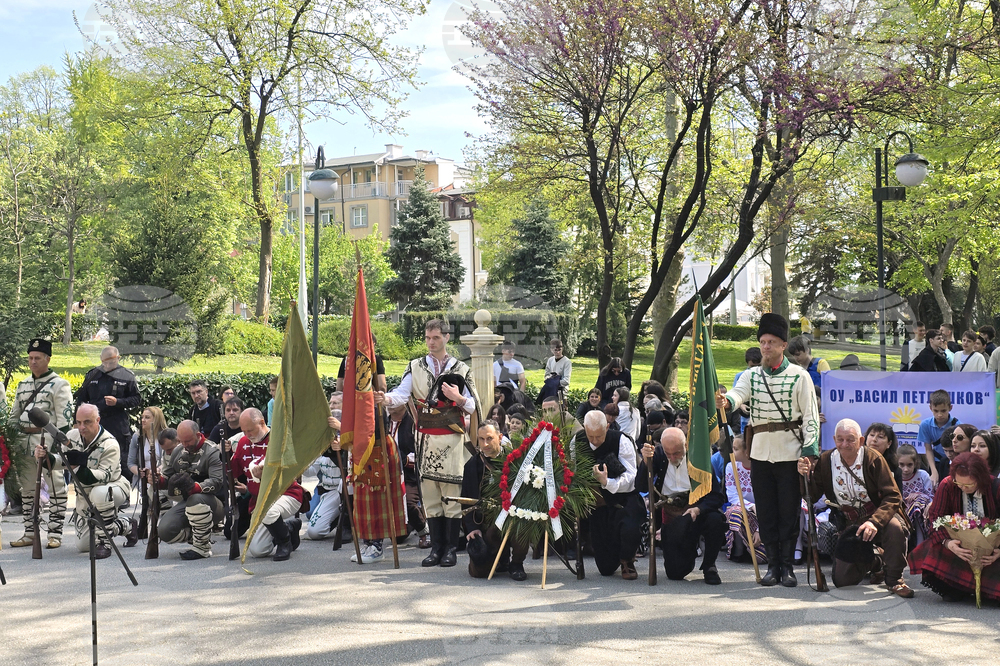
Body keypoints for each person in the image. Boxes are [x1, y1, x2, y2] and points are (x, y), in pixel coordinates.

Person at [718, 313, 820, 587]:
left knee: (788, 512)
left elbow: (810, 416)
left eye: (771, 342)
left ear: (783, 345)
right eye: (762, 342)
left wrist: (809, 451)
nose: (765, 347)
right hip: (760, 455)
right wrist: (727, 401)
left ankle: (787, 567)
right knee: (766, 512)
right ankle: (772, 566)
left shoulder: (799, 376)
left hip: (789, 454)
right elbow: (738, 394)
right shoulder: (750, 376)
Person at [375, 319, 482, 568]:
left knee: (452, 494)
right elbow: (402, 394)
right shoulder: (415, 366)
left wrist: (457, 397)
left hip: (453, 437)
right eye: (427, 337)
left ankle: (451, 549)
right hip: (424, 437)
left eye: (435, 337)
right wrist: (386, 398)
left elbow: (474, 405)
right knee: (431, 495)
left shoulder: (462, 369)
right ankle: (436, 549)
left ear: (446, 337)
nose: (430, 342)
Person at [798, 419, 913, 597]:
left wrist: (874, 522)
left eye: (850, 439)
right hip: (849, 523)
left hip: (877, 516)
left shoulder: (874, 459)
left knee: (894, 528)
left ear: (860, 440)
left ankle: (895, 580)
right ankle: (877, 561)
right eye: (840, 439)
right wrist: (804, 476)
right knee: (843, 582)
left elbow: (893, 496)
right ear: (834, 439)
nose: (845, 444)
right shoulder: (826, 460)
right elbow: (811, 496)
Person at [908, 453, 1000, 602]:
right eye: (960, 484)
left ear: (981, 478)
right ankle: (958, 588)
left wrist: (998, 551)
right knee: (935, 549)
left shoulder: (996, 486)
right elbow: (935, 518)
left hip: (991, 552)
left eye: (969, 485)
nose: (964, 488)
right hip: (958, 548)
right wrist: (948, 543)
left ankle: (985, 591)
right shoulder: (948, 485)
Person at [639, 427, 726, 584]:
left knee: (716, 520)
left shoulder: (699, 457)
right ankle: (688, 551)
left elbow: (717, 495)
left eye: (677, 453)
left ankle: (709, 565)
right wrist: (645, 463)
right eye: (668, 453)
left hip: (698, 511)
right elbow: (641, 487)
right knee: (675, 573)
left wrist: (699, 508)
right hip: (673, 516)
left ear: (686, 445)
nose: (672, 457)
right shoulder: (657, 454)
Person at [8, 339, 73, 550]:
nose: (33, 362)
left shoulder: (59, 384)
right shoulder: (23, 384)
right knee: (27, 490)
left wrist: (57, 449)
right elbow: (14, 417)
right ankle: (29, 531)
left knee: (55, 488)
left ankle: (55, 533)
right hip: (23, 444)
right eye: (30, 358)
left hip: (47, 442)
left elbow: (64, 422)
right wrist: (9, 441)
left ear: (47, 359)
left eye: (37, 358)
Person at [57, 404, 137, 558]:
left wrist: (76, 468)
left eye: (87, 422)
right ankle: (126, 525)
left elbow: (102, 477)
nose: (82, 427)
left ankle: (104, 543)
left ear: (97, 420)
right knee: (84, 546)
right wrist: (46, 457)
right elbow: (62, 461)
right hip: (85, 497)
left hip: (113, 487)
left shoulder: (110, 444)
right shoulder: (72, 436)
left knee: (99, 492)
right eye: (78, 422)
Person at [231, 408, 305, 561]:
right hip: (259, 500)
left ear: (262, 422)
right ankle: (289, 528)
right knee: (258, 550)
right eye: (243, 431)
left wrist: (265, 476)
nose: (246, 435)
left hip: (286, 493)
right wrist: (224, 455)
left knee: (267, 510)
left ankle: (284, 542)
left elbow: (292, 471)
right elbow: (233, 471)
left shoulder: (279, 440)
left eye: (250, 430)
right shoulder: (243, 442)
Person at [581, 410, 644, 580]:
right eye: (590, 436)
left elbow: (632, 477)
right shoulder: (578, 441)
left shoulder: (621, 440)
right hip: (598, 503)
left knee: (630, 527)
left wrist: (607, 482)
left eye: (599, 436)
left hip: (623, 498)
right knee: (605, 568)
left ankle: (627, 559)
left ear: (607, 427)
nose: (594, 441)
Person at [464, 421, 528, 580]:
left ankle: (517, 563)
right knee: (479, 573)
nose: (485, 444)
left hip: (515, 516)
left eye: (489, 438)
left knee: (521, 527)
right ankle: (500, 559)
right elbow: (467, 499)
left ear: (500, 437)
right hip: (486, 520)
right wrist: (472, 528)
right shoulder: (472, 465)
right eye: (481, 439)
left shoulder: (515, 459)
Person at [154, 420, 226, 560]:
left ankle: (202, 548)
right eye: (181, 441)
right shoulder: (178, 451)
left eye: (188, 441)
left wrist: (195, 487)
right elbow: (167, 478)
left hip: (214, 504)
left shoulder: (212, 451)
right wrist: (158, 480)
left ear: (198, 435)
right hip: (188, 502)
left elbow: (217, 482)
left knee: (196, 498)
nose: (185, 445)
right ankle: (198, 534)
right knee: (165, 531)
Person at [74, 345, 141, 482]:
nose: (108, 365)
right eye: (105, 362)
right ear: (100, 359)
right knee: (93, 456)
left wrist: (118, 402)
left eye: (112, 362)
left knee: (121, 458)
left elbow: (137, 399)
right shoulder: (92, 374)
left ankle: (123, 494)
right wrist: (77, 422)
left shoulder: (127, 376)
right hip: (94, 424)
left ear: (118, 358)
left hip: (116, 422)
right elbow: (81, 399)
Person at [723, 435, 766, 563]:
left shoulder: (762, 469)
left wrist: (760, 528)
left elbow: (768, 498)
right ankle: (738, 550)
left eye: (736, 449)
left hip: (765, 511)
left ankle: (757, 551)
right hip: (744, 508)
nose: (732, 451)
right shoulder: (731, 467)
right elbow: (732, 496)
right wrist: (751, 506)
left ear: (747, 452)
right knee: (735, 513)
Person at [916, 389, 959, 487]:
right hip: (935, 463)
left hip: (953, 461)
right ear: (930, 408)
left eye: (943, 411)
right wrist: (934, 471)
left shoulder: (957, 426)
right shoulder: (925, 425)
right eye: (936, 411)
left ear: (950, 408)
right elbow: (928, 449)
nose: (939, 415)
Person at [898, 444, 934, 546]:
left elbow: (931, 497)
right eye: (901, 465)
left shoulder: (922, 475)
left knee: (917, 505)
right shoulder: (894, 476)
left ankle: (920, 544)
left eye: (909, 465)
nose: (905, 469)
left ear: (915, 463)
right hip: (902, 511)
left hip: (920, 513)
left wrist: (918, 495)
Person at [733, 348, 762, 434]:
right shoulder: (740, 376)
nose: (755, 369)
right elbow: (736, 394)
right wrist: (741, 405)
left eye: (759, 366)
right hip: (746, 418)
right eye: (752, 366)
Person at [864, 422, 901, 490]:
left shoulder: (894, 470)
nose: (874, 439)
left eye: (880, 437)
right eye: (872, 435)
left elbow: (897, 497)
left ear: (889, 444)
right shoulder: (855, 460)